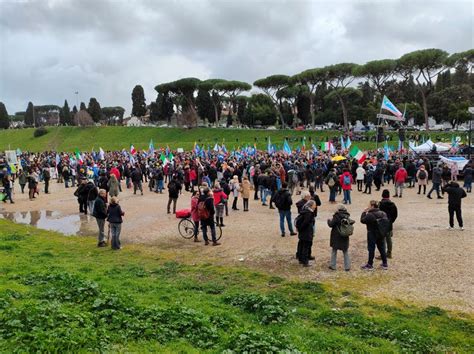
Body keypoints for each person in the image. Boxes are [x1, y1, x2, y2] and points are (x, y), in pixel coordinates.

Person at [360, 200, 389, 270]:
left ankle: (370, 265)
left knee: (371, 249)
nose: (368, 206)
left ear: (372, 206)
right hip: (381, 233)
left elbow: (362, 220)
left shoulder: (370, 215)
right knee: (382, 248)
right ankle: (385, 264)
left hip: (372, 233)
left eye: (369, 205)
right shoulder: (383, 213)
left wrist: (364, 212)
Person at [327, 205, 353, 271]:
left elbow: (331, 224)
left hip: (336, 235)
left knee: (334, 250)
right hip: (344, 235)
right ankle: (347, 266)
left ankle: (333, 265)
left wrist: (328, 220)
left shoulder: (336, 216)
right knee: (345, 251)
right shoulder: (347, 216)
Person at [296, 200, 317, 267]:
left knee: (302, 244)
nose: (315, 206)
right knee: (306, 246)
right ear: (311, 205)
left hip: (303, 232)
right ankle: (305, 261)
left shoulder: (305, 211)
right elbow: (306, 223)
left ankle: (301, 258)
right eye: (314, 205)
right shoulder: (309, 213)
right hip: (306, 232)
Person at [378, 189, 398, 259]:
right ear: (389, 196)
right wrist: (391, 221)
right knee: (389, 239)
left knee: (382, 240)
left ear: (382, 195)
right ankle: (389, 253)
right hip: (389, 223)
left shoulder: (380, 204)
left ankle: (382, 254)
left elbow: (378, 214)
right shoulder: (392, 204)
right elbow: (395, 215)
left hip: (381, 224)